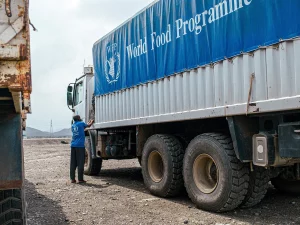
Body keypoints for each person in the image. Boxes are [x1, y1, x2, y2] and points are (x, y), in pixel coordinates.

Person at [70, 115, 94, 184]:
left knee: (73, 163)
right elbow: (88, 126)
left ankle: (72, 179)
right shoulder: (81, 123)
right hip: (80, 146)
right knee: (80, 162)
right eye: (79, 117)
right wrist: (91, 121)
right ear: (78, 118)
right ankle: (80, 179)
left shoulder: (73, 125)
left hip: (73, 145)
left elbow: (82, 129)